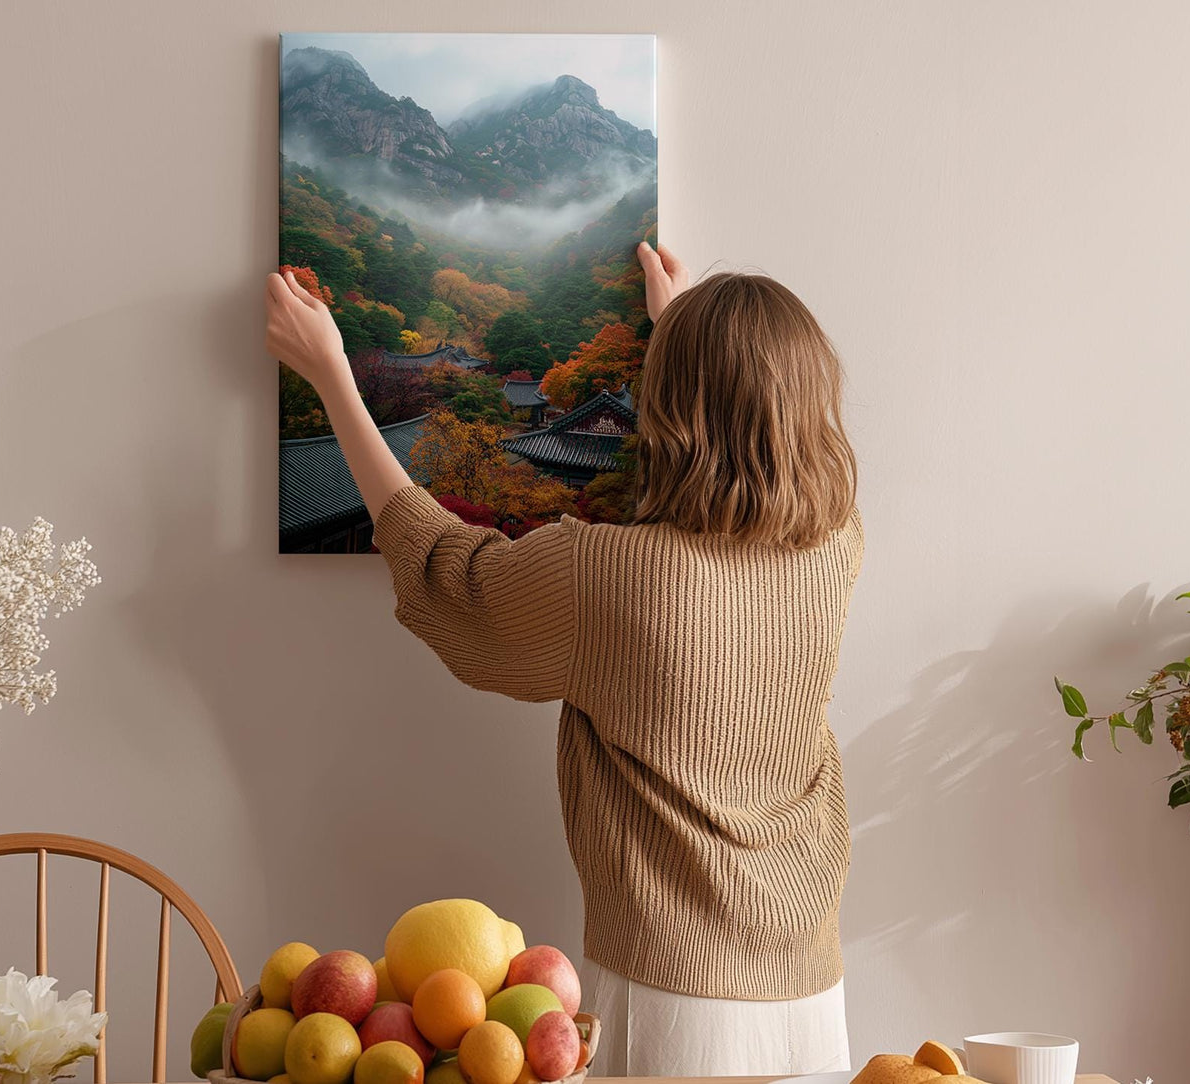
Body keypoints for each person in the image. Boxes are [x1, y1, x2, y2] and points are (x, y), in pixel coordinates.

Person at [264, 242, 863, 1076]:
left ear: (668, 404)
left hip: (672, 993)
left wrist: (333, 375)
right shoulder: (834, 547)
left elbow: (447, 568)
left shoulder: (605, 573)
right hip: (811, 981)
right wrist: (680, 330)